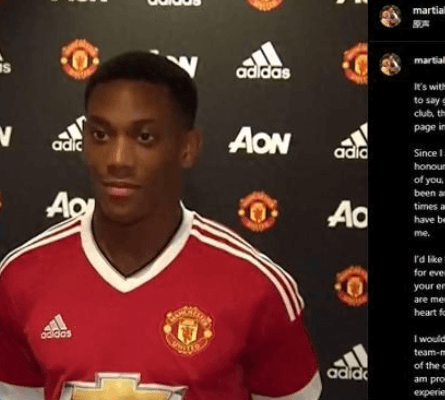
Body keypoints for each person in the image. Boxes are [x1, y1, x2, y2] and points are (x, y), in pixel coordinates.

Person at [0, 52, 322, 400]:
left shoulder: (255, 286)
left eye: (145, 137)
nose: (117, 160)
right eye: (101, 134)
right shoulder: (21, 279)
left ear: (188, 147)